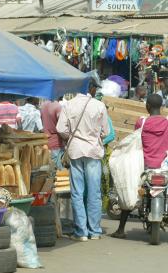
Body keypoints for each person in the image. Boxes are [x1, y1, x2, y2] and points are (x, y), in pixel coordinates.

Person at [56, 78, 108, 241]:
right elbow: (105, 131)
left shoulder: (69, 105)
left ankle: (81, 231)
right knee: (94, 192)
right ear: (90, 88)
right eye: (95, 88)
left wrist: (72, 136)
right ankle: (95, 231)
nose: (95, 91)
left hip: (76, 150)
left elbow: (60, 129)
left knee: (77, 192)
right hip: (93, 151)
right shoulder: (99, 105)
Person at [112, 94, 168, 238]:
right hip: (164, 167)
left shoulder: (141, 122)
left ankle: (121, 229)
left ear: (147, 106)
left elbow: (135, 141)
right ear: (161, 107)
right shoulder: (167, 122)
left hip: (145, 166)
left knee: (130, 188)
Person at [40, 99, 64, 169]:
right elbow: (62, 128)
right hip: (57, 143)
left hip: (46, 142)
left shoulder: (43, 105)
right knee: (58, 172)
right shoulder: (58, 106)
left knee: (49, 173)